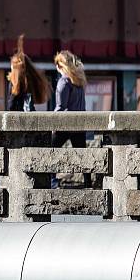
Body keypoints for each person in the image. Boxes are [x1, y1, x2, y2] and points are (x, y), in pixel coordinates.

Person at [52, 50, 89, 188]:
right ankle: (88, 184)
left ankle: (52, 179)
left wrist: (52, 127)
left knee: (49, 150)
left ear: (60, 66)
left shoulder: (64, 82)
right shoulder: (79, 80)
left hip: (66, 125)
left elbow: (60, 107)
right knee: (83, 156)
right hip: (80, 125)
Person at [6, 34, 52, 111]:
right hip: (30, 114)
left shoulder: (15, 82)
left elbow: (11, 104)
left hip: (18, 117)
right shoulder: (32, 80)